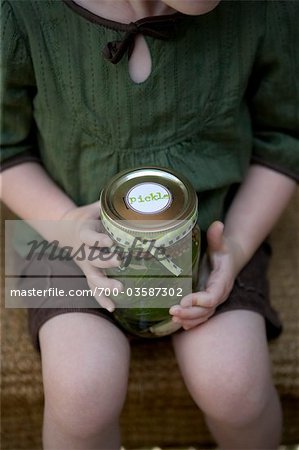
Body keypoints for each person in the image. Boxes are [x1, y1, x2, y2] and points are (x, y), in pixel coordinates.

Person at [1, 0, 298, 448]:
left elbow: (283, 140)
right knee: (82, 392)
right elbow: (6, 149)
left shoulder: (265, 9)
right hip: (65, 227)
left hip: (216, 227)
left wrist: (234, 247)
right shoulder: (20, 11)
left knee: (236, 387)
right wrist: (63, 223)